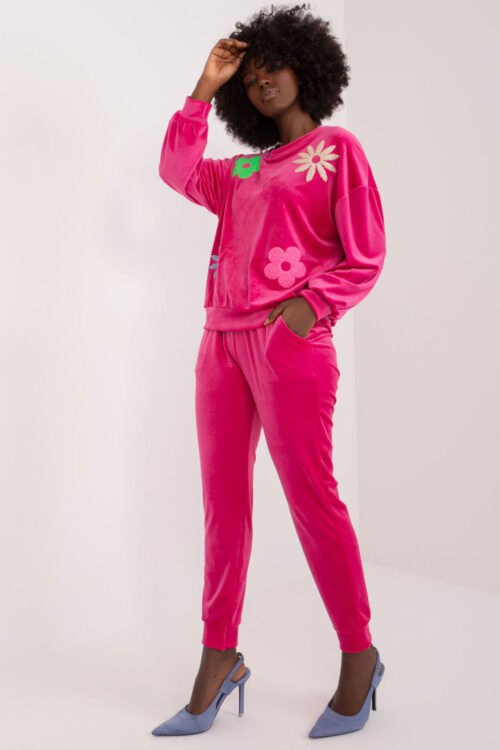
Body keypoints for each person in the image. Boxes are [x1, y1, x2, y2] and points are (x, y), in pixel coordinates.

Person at [152, 3, 386, 738]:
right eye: (249, 77)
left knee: (313, 498)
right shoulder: (244, 169)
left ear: (305, 67)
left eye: (271, 67)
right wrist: (204, 87)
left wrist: (308, 307)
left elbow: (367, 255)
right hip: (219, 344)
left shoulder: (337, 150)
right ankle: (219, 657)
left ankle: (360, 654)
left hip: (289, 345)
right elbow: (176, 170)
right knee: (223, 505)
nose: (260, 82)